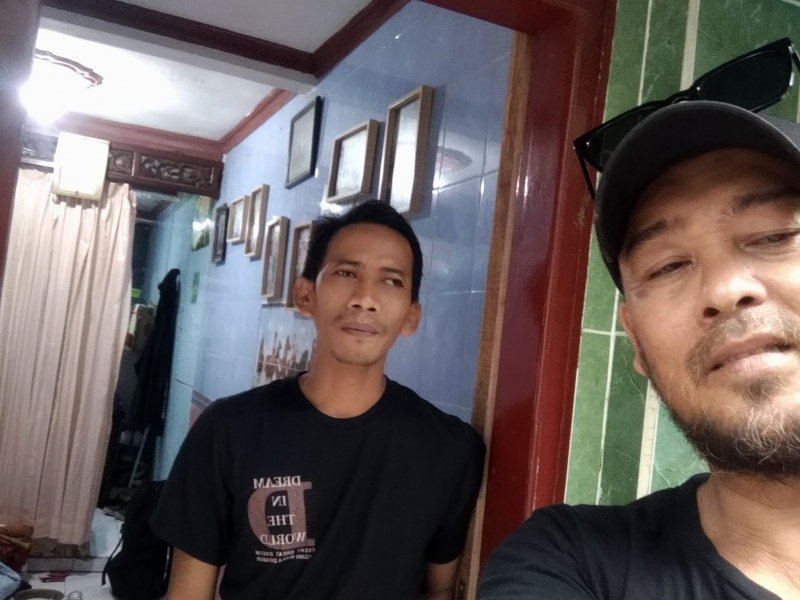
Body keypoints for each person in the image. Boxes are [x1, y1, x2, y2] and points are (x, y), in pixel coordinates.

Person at [478, 99, 800, 600]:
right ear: (637, 342)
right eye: (668, 266)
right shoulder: (569, 562)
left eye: (774, 235)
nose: (723, 289)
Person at [152, 200, 485, 600]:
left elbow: (439, 591)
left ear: (411, 317)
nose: (365, 298)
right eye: (346, 273)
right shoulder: (228, 430)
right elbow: (187, 594)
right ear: (305, 295)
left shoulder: (449, 450)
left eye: (391, 281)